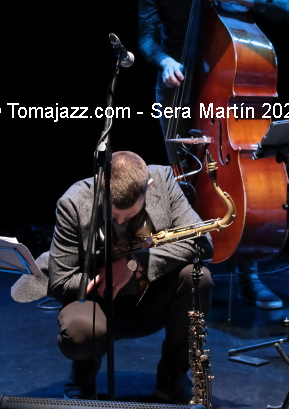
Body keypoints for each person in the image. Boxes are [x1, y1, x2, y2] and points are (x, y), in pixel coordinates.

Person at [138, 0, 289, 310]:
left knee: (232, 181)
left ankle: (248, 275)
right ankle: (186, 276)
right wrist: (163, 60)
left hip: (223, 88)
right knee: (183, 182)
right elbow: (147, 35)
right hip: (176, 87)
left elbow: (284, 7)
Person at [48, 150, 213, 401]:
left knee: (198, 277)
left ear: (148, 186)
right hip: (97, 301)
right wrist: (103, 276)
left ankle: (170, 382)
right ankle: (83, 377)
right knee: (80, 333)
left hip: (150, 297)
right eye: (114, 215)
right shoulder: (73, 201)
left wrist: (132, 264)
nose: (121, 220)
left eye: (130, 215)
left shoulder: (163, 181)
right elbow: (60, 281)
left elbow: (203, 242)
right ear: (99, 184)